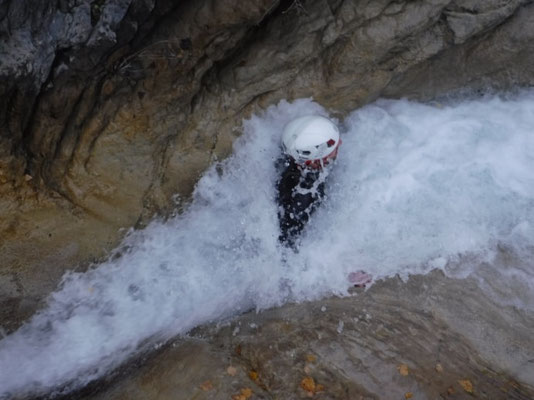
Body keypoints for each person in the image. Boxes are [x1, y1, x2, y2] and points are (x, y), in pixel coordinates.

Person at [276, 115, 341, 249]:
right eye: (333, 148)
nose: (340, 144)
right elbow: (290, 239)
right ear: (314, 162)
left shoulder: (288, 164)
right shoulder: (306, 193)